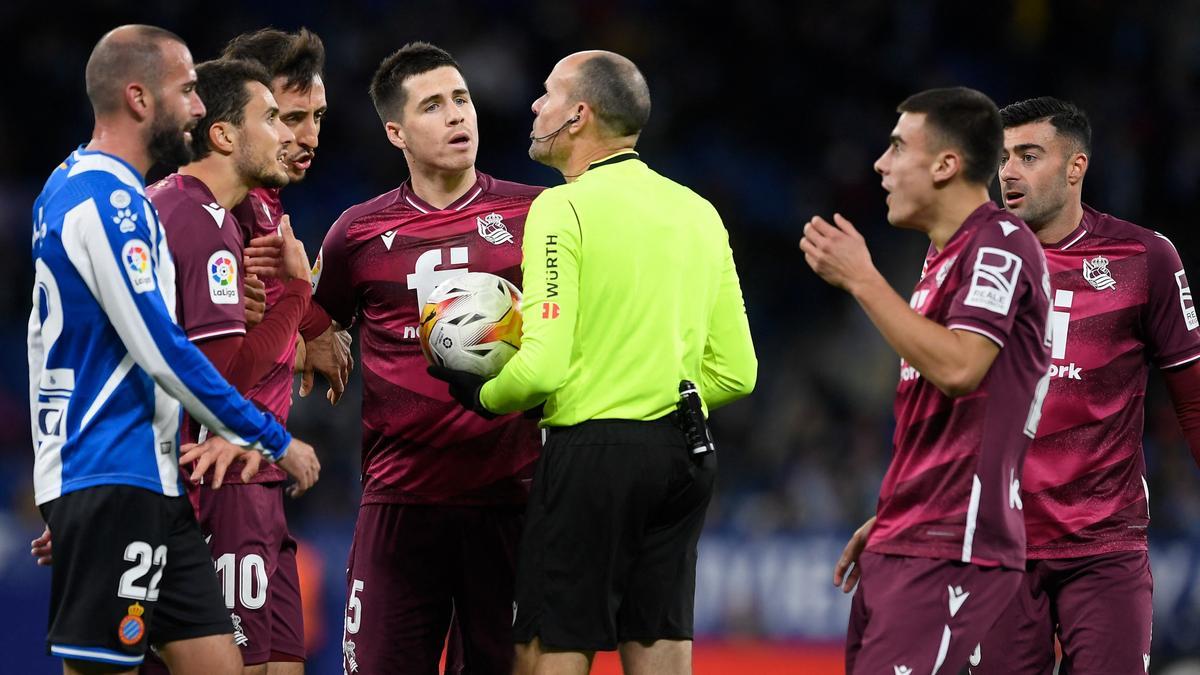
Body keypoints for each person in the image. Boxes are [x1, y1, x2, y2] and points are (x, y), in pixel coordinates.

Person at [432, 50, 757, 675]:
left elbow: (543, 370)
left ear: (579, 115)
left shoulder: (563, 208)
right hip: (684, 457)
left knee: (547, 647)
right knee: (658, 639)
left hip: (592, 458)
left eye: (548, 94)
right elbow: (737, 371)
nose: (534, 105)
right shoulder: (698, 211)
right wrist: (653, 389)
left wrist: (483, 394)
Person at [28, 25, 318, 674]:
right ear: (138, 98)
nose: (196, 105)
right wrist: (271, 436)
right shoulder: (113, 203)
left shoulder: (72, 186)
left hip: (145, 479)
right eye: (187, 89)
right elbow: (165, 352)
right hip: (113, 472)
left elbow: (65, 340)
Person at [307, 42, 542, 674]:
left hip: (511, 501)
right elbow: (309, 323)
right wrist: (317, 335)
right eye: (433, 106)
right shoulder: (356, 233)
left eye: (461, 100)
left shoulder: (537, 215)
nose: (457, 116)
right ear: (396, 132)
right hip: (400, 506)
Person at [801, 87, 1050, 674]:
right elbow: (949, 420)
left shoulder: (1001, 243)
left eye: (896, 147)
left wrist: (863, 280)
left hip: (955, 546)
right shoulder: (940, 262)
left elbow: (962, 368)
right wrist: (893, 512)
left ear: (945, 165)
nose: (880, 165)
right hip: (910, 534)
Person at [956, 97, 1200, 673]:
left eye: (1029, 155)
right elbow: (937, 405)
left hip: (1105, 547)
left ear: (1076, 167)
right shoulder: (966, 258)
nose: (1008, 172)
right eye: (1003, 156)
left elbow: (1193, 401)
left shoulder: (1145, 258)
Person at [139, 57, 313, 675]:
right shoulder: (203, 223)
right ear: (223, 134)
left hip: (167, 481)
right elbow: (225, 380)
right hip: (209, 479)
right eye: (273, 118)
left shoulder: (174, 207)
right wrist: (297, 292)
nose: (288, 135)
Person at [220, 27, 353, 406]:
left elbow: (271, 304)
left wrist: (310, 327)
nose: (312, 137)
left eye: (319, 116)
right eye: (293, 118)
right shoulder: (222, 204)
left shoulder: (264, 197)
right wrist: (309, 330)